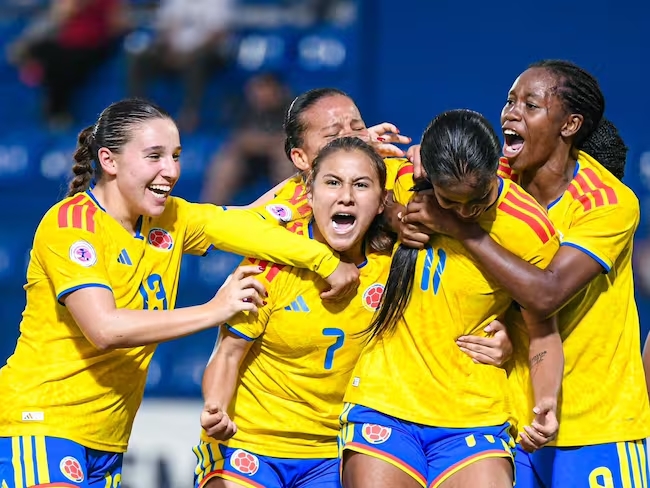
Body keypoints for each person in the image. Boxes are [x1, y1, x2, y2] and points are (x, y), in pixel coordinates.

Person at [0, 98, 360, 487]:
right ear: (109, 160)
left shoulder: (172, 218)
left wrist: (342, 159)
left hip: (106, 439)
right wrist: (215, 309)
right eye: (154, 156)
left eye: (175, 156)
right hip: (40, 422)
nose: (171, 170)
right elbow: (104, 329)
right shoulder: (71, 225)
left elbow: (258, 221)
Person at [401, 60, 650, 487]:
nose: (511, 114)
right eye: (510, 101)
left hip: (597, 427)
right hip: (509, 423)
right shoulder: (484, 182)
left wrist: (460, 229)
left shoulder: (608, 202)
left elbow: (546, 294)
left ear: (569, 125)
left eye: (530, 105)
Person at [339, 109, 563, 488]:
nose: (465, 212)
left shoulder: (531, 229)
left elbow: (543, 330)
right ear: (427, 174)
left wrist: (547, 401)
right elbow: (328, 187)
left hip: (474, 412)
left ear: (496, 169)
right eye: (450, 201)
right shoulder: (400, 181)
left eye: (478, 200)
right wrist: (393, 215)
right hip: (384, 400)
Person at [194, 136, 393, 488]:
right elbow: (227, 355)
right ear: (310, 195)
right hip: (249, 442)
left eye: (361, 185)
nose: (346, 196)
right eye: (332, 183)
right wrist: (216, 407)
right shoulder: (272, 263)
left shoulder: (392, 271)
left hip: (331, 453)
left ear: (381, 203)